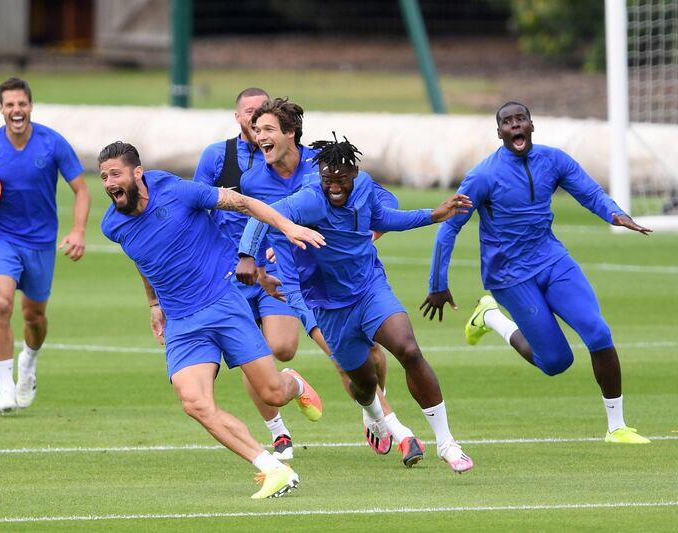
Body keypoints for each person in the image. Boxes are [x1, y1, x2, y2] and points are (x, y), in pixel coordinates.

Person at [98, 141, 326, 499]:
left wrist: (286, 226)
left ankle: (293, 383)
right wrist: (154, 303)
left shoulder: (176, 190)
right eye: (103, 177)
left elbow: (243, 203)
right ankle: (273, 469)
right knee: (194, 402)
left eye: (115, 174)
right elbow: (145, 260)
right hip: (182, 322)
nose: (109, 182)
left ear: (136, 173)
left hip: (223, 301)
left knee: (273, 393)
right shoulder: (112, 225)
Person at [238, 134, 475, 473]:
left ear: (354, 173)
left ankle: (448, 443)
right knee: (363, 384)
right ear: (320, 177)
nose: (335, 186)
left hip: (369, 289)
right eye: (328, 180)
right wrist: (248, 256)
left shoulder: (363, 187)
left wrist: (432, 215)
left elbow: (382, 218)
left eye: (342, 179)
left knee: (408, 349)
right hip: (329, 307)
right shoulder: (308, 200)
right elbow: (264, 215)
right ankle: (373, 414)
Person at [421, 101, 652, 444]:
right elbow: (449, 229)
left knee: (598, 333)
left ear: (531, 125)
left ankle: (616, 427)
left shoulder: (553, 160)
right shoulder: (483, 176)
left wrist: (616, 215)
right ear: (499, 132)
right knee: (556, 361)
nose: (515, 126)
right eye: (507, 122)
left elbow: (589, 192)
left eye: (520, 120)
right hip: (511, 277)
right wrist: (438, 284)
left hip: (553, 261)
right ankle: (491, 318)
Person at [240, 98, 424, 465]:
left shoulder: (324, 167)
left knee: (367, 356)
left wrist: (363, 237)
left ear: (290, 134)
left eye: (266, 130)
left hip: (337, 282)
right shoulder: (252, 177)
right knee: (282, 349)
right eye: (254, 129)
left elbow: (383, 201)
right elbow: (259, 219)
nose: (257, 135)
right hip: (291, 281)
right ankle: (381, 418)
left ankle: (386, 421)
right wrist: (258, 261)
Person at [0, 77, 90, 414]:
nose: (16, 110)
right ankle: (5, 388)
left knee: (34, 317)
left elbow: (82, 190)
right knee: (1, 304)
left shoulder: (52, 143)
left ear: (31, 106)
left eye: (22, 104)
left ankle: (29, 360)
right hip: (1, 237)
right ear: (1, 109)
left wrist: (78, 231)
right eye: (10, 105)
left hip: (41, 241)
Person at [193, 88, 303, 460]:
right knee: (249, 352)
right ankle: (278, 432)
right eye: (250, 114)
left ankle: (292, 384)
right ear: (238, 117)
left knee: (283, 349)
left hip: (274, 265)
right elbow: (196, 206)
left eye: (263, 115)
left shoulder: (284, 162)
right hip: (229, 271)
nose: (257, 122)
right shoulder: (215, 156)